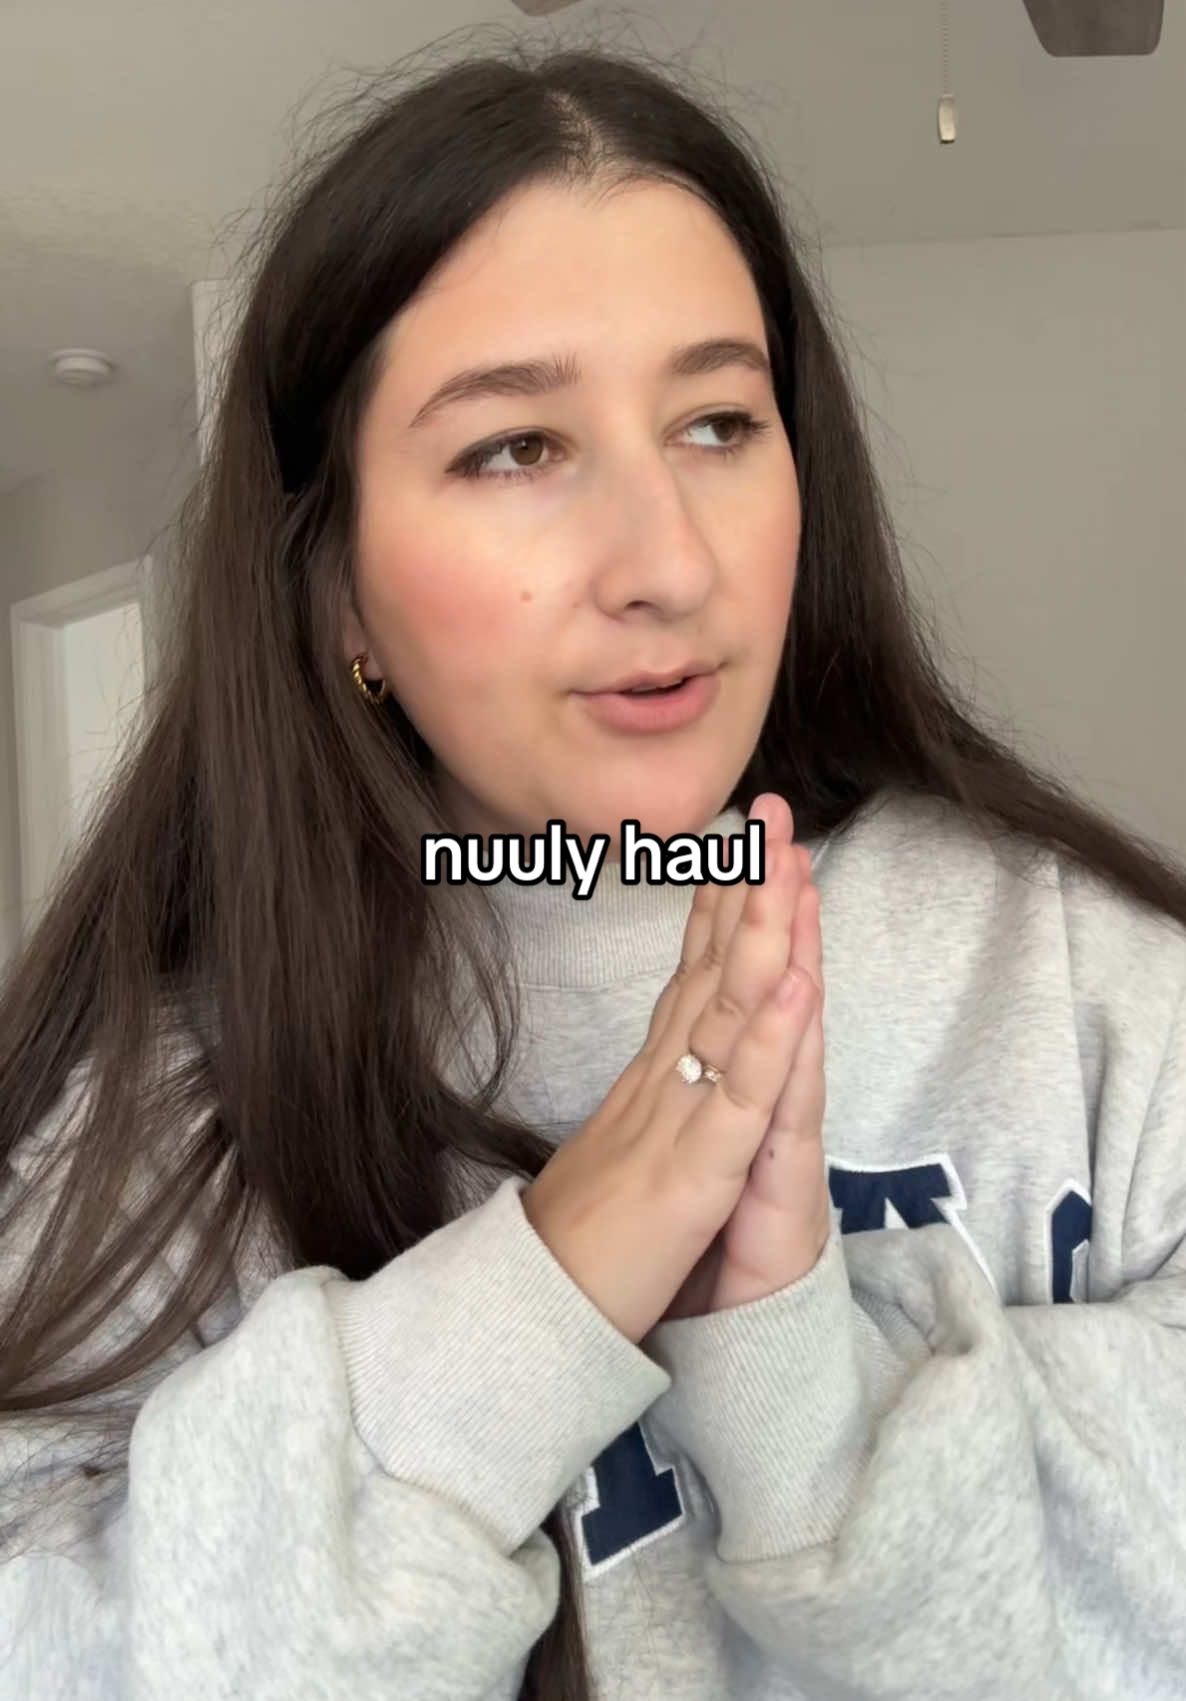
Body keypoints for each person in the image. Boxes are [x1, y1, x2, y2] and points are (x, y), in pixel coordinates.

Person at [1, 35, 1184, 1701]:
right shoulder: (157, 1106)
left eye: (716, 421)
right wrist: (539, 1291)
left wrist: (807, 1389)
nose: (667, 561)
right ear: (335, 591)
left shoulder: (1075, 976)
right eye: (516, 448)